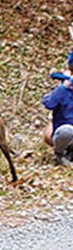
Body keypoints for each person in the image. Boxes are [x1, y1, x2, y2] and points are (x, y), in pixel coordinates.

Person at [43, 23, 73, 166]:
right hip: (65, 133)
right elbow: (48, 103)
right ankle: (60, 155)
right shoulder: (63, 90)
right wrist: (63, 86)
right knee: (66, 131)